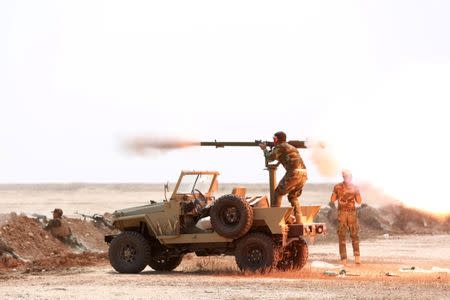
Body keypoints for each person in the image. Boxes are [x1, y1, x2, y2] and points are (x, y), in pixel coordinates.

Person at [259, 131, 307, 224]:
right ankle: (299, 220)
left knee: (277, 194)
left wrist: (264, 149)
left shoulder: (280, 147)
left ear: (276, 139)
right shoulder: (290, 147)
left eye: (274, 139)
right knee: (293, 196)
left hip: (294, 173)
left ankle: (275, 220)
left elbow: (270, 158)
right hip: (303, 174)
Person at [330, 170, 362, 265]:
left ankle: (345, 260)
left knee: (342, 237)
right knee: (354, 236)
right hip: (350, 213)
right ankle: (356, 258)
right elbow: (359, 201)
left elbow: (332, 200)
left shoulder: (337, 187)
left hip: (343, 213)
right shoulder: (355, 187)